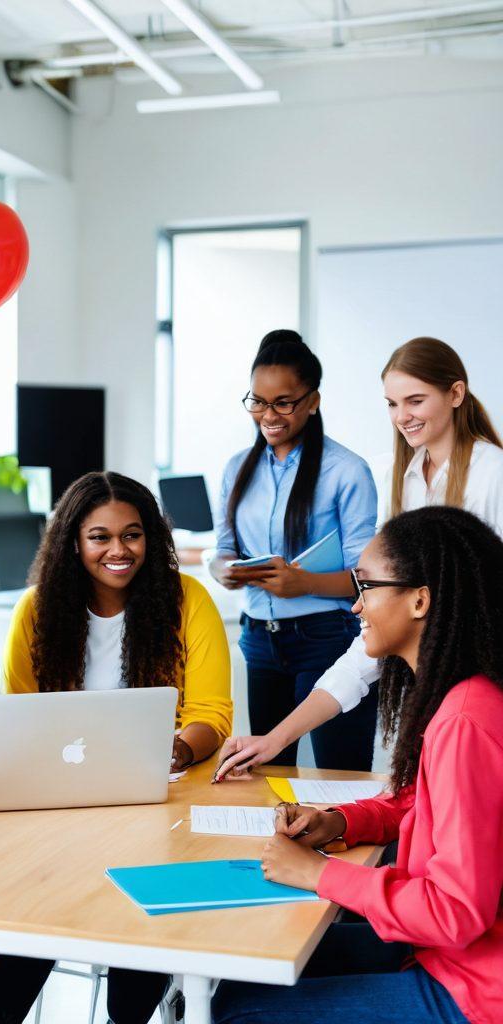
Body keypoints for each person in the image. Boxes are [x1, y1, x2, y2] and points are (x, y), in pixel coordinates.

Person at [212, 505, 503, 1024]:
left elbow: (455, 911)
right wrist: (341, 821)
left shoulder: (465, 719)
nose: (355, 606)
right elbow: (421, 803)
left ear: (420, 600)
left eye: (366, 587)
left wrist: (319, 874)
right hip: (446, 958)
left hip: (474, 990)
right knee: (243, 971)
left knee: (240, 1009)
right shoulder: (463, 699)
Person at [0, 471, 232, 1024]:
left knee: (146, 880)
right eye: (100, 537)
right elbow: (20, 716)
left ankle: (127, 1016)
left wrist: (176, 750)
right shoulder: (37, 610)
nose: (118, 550)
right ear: (73, 541)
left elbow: (211, 715)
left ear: (151, 537)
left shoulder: (188, 600)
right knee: (42, 894)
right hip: (57, 811)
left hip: (158, 802)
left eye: (132, 535)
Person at [215, 336, 503, 780]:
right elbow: (365, 652)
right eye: (391, 403)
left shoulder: (492, 473)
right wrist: (276, 739)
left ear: (456, 394)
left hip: (480, 678)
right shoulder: (400, 478)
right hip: (430, 682)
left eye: (415, 400)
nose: (401, 416)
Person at [209, 330, 378, 771]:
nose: (269, 415)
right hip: (260, 641)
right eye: (258, 402)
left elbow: (367, 579)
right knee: (266, 773)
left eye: (283, 402)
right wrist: (225, 570)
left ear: (313, 400)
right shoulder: (235, 470)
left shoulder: (347, 472)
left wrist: (302, 583)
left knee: (338, 777)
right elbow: (222, 550)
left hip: (327, 638)